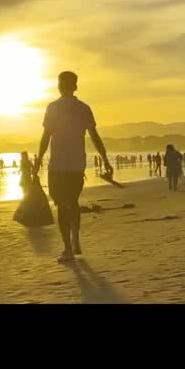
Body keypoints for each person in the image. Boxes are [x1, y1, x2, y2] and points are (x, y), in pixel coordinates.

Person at [38, 70, 110, 264]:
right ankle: (76, 240)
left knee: (62, 206)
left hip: (58, 166)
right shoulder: (84, 108)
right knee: (73, 202)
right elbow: (95, 137)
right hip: (77, 165)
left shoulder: (52, 108)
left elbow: (46, 138)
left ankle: (68, 249)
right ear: (75, 86)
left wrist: (37, 162)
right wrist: (105, 160)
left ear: (59, 86)